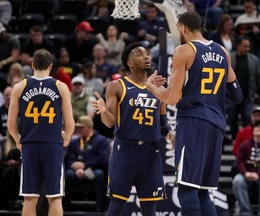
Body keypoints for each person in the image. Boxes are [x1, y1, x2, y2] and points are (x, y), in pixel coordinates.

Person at [146, 11, 243, 216]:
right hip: (217, 124)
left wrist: (151, 88)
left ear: (182, 28)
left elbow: (171, 99)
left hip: (193, 122)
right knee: (202, 192)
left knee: (186, 190)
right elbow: (237, 95)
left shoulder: (184, 50)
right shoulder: (223, 52)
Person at [91, 42, 174, 216]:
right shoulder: (117, 86)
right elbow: (110, 123)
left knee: (150, 211)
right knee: (116, 208)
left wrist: (171, 134)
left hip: (151, 152)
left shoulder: (158, 88)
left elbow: (163, 123)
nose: (146, 56)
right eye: (139, 53)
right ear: (129, 63)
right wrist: (104, 110)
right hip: (125, 151)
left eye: (147, 53)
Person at [7, 49, 75, 216]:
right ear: (51, 66)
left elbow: (11, 122)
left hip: (30, 145)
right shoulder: (61, 86)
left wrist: (17, 139)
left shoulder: (19, 87)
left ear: (32, 65)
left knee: (30, 198)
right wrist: (66, 138)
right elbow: (70, 122)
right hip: (52, 145)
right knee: (55, 198)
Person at [64, 115, 110, 212]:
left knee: (100, 174)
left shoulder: (102, 141)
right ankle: (65, 207)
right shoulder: (74, 142)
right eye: (78, 127)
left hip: (93, 170)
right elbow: (69, 158)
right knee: (68, 175)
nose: (78, 130)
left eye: (81, 127)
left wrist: (85, 165)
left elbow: (103, 159)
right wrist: (75, 166)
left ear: (89, 127)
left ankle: (100, 207)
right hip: (76, 171)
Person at [227, 36, 260, 140]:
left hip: (247, 95)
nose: (247, 49)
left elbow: (258, 78)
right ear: (238, 46)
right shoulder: (229, 58)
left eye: (249, 47)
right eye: (245, 46)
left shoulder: (254, 60)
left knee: (247, 118)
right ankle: (235, 139)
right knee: (232, 118)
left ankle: (246, 141)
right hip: (231, 96)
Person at [232, 120, 260, 216]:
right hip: (246, 174)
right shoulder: (245, 144)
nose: (259, 128)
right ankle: (246, 212)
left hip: (259, 175)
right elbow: (239, 161)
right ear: (253, 131)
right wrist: (245, 173)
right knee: (237, 180)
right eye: (257, 127)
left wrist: (258, 174)